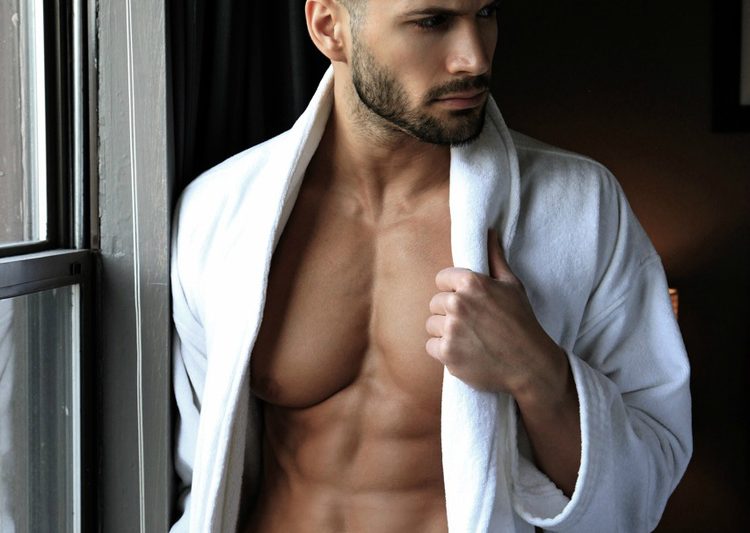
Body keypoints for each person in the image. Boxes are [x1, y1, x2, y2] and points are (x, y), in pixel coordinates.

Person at [170, 0, 692, 531]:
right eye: (432, 22)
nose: (474, 58)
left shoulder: (580, 206)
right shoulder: (219, 214)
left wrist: (537, 370)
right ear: (330, 29)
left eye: (485, 13)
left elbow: (645, 480)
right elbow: (205, 474)